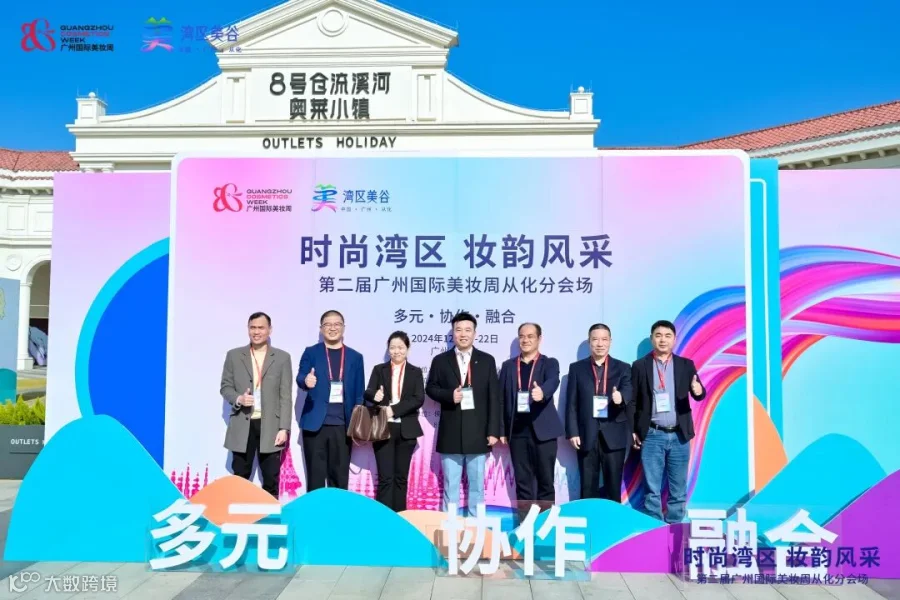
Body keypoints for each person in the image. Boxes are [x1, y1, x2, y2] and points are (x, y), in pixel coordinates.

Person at [426, 311, 501, 514]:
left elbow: (494, 398)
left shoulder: (486, 360)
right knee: (450, 486)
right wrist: (449, 395)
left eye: (468, 330)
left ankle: (476, 527)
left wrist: (493, 431)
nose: (463, 334)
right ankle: (449, 526)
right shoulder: (441, 360)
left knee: (477, 487)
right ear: (453, 333)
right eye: (458, 330)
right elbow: (430, 388)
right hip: (450, 433)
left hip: (478, 433)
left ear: (475, 333)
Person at [631, 319, 706, 523]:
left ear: (674, 339)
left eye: (667, 336)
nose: (663, 340)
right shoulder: (640, 366)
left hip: (679, 435)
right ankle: (653, 527)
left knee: (678, 488)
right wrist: (634, 430)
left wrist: (698, 390)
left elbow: (699, 393)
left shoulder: (685, 365)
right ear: (652, 339)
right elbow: (633, 401)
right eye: (658, 335)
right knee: (651, 488)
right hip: (652, 434)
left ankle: (675, 528)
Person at [220, 312, 293, 498]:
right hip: (242, 423)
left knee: (271, 478)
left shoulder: (282, 358)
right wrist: (238, 399)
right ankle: (238, 514)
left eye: (261, 327)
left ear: (270, 330)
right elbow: (225, 387)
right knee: (240, 478)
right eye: (253, 327)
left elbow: (285, 396)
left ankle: (270, 514)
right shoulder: (234, 355)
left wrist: (284, 428)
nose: (256, 332)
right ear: (248, 329)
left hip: (270, 426)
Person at [296, 309, 365, 491]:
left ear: (343, 328)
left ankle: (338, 510)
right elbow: (300, 376)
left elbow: (359, 393)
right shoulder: (311, 352)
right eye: (327, 324)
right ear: (321, 328)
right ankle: (315, 510)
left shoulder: (356, 357)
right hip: (315, 424)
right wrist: (306, 380)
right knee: (315, 478)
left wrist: (358, 424)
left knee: (339, 479)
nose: (332, 328)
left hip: (343, 426)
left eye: (337, 324)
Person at [566, 323, 633, 503]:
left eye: (604, 339)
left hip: (614, 434)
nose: (600, 344)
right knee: (588, 486)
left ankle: (612, 520)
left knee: (613, 486)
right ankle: (588, 519)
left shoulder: (623, 367)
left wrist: (620, 397)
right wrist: (573, 432)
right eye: (595, 339)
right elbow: (571, 403)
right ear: (589, 342)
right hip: (586, 434)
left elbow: (628, 391)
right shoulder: (576, 368)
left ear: (610, 341)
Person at [499, 323, 562, 506]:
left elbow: (553, 381)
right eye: (522, 336)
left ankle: (545, 522)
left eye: (530, 336)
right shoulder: (508, 366)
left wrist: (542, 392)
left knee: (545, 482)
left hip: (544, 433)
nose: (525, 340)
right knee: (522, 483)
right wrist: (502, 430)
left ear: (539, 339)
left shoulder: (549, 363)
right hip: (517, 432)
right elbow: (501, 399)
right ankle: (525, 522)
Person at [363, 331, 425, 512]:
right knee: (385, 478)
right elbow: (368, 392)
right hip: (383, 428)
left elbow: (418, 398)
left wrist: (394, 409)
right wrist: (375, 395)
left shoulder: (415, 372)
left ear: (408, 349)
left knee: (400, 478)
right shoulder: (379, 370)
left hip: (407, 430)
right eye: (392, 347)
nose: (396, 351)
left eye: (400, 347)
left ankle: (400, 517)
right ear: (388, 349)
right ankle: (384, 519)